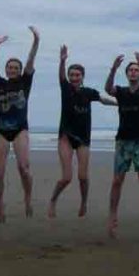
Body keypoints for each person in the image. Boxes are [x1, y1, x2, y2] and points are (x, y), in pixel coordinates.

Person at [48, 45, 117, 218]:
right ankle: (53, 201)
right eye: (72, 75)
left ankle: (84, 202)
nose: (74, 77)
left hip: (83, 138)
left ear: (83, 77)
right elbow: (61, 76)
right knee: (66, 177)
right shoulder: (65, 88)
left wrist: (119, 103)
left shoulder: (89, 92)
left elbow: (103, 100)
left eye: (77, 75)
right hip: (65, 136)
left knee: (83, 177)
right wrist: (62, 61)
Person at [0, 26, 40, 222]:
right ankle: (0, 206)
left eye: (16, 67)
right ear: (6, 70)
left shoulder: (26, 81)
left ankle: (28, 197)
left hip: (20, 130)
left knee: (24, 168)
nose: (13, 70)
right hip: (0, 130)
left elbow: (31, 60)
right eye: (10, 67)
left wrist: (36, 40)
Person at [105, 52, 139, 240]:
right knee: (117, 181)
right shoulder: (121, 91)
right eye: (131, 70)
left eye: (137, 70)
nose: (134, 72)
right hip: (123, 141)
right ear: (127, 74)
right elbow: (108, 88)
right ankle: (112, 216)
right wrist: (114, 68)